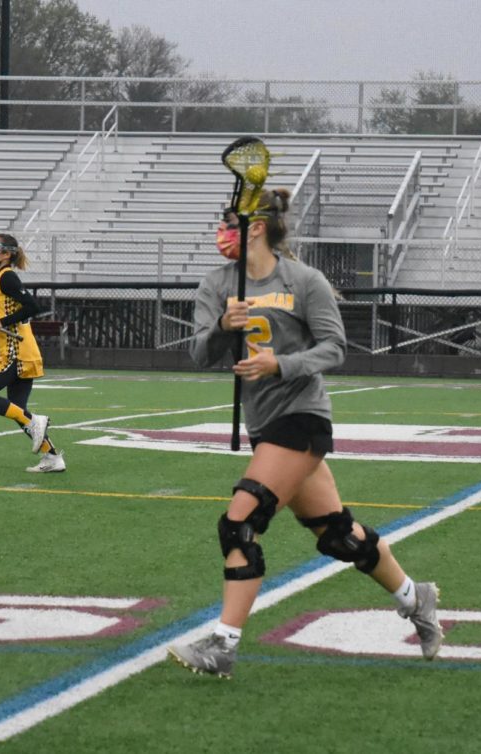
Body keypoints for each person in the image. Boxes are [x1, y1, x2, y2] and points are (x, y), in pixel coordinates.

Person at [168, 188, 442, 678]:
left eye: (229, 222)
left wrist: (282, 364)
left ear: (256, 227)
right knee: (338, 536)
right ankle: (415, 598)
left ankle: (223, 644)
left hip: (302, 416)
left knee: (238, 523)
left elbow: (335, 348)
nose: (220, 232)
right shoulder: (215, 284)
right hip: (264, 424)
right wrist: (222, 330)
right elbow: (198, 355)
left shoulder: (303, 279)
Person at [0, 233, 65, 473]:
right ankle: (52, 458)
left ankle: (34, 421)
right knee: (18, 408)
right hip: (20, 351)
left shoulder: (7, 277)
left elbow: (33, 307)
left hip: (16, 352)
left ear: (6, 253)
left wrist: (2, 321)